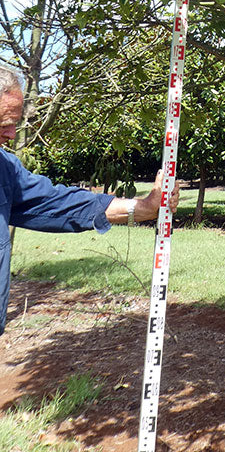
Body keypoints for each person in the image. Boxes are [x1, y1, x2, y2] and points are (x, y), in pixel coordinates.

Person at [0, 64, 179, 336]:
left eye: (15, 124)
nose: (12, 134)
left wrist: (146, 207)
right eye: (5, 123)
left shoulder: (5, 171)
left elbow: (60, 204)